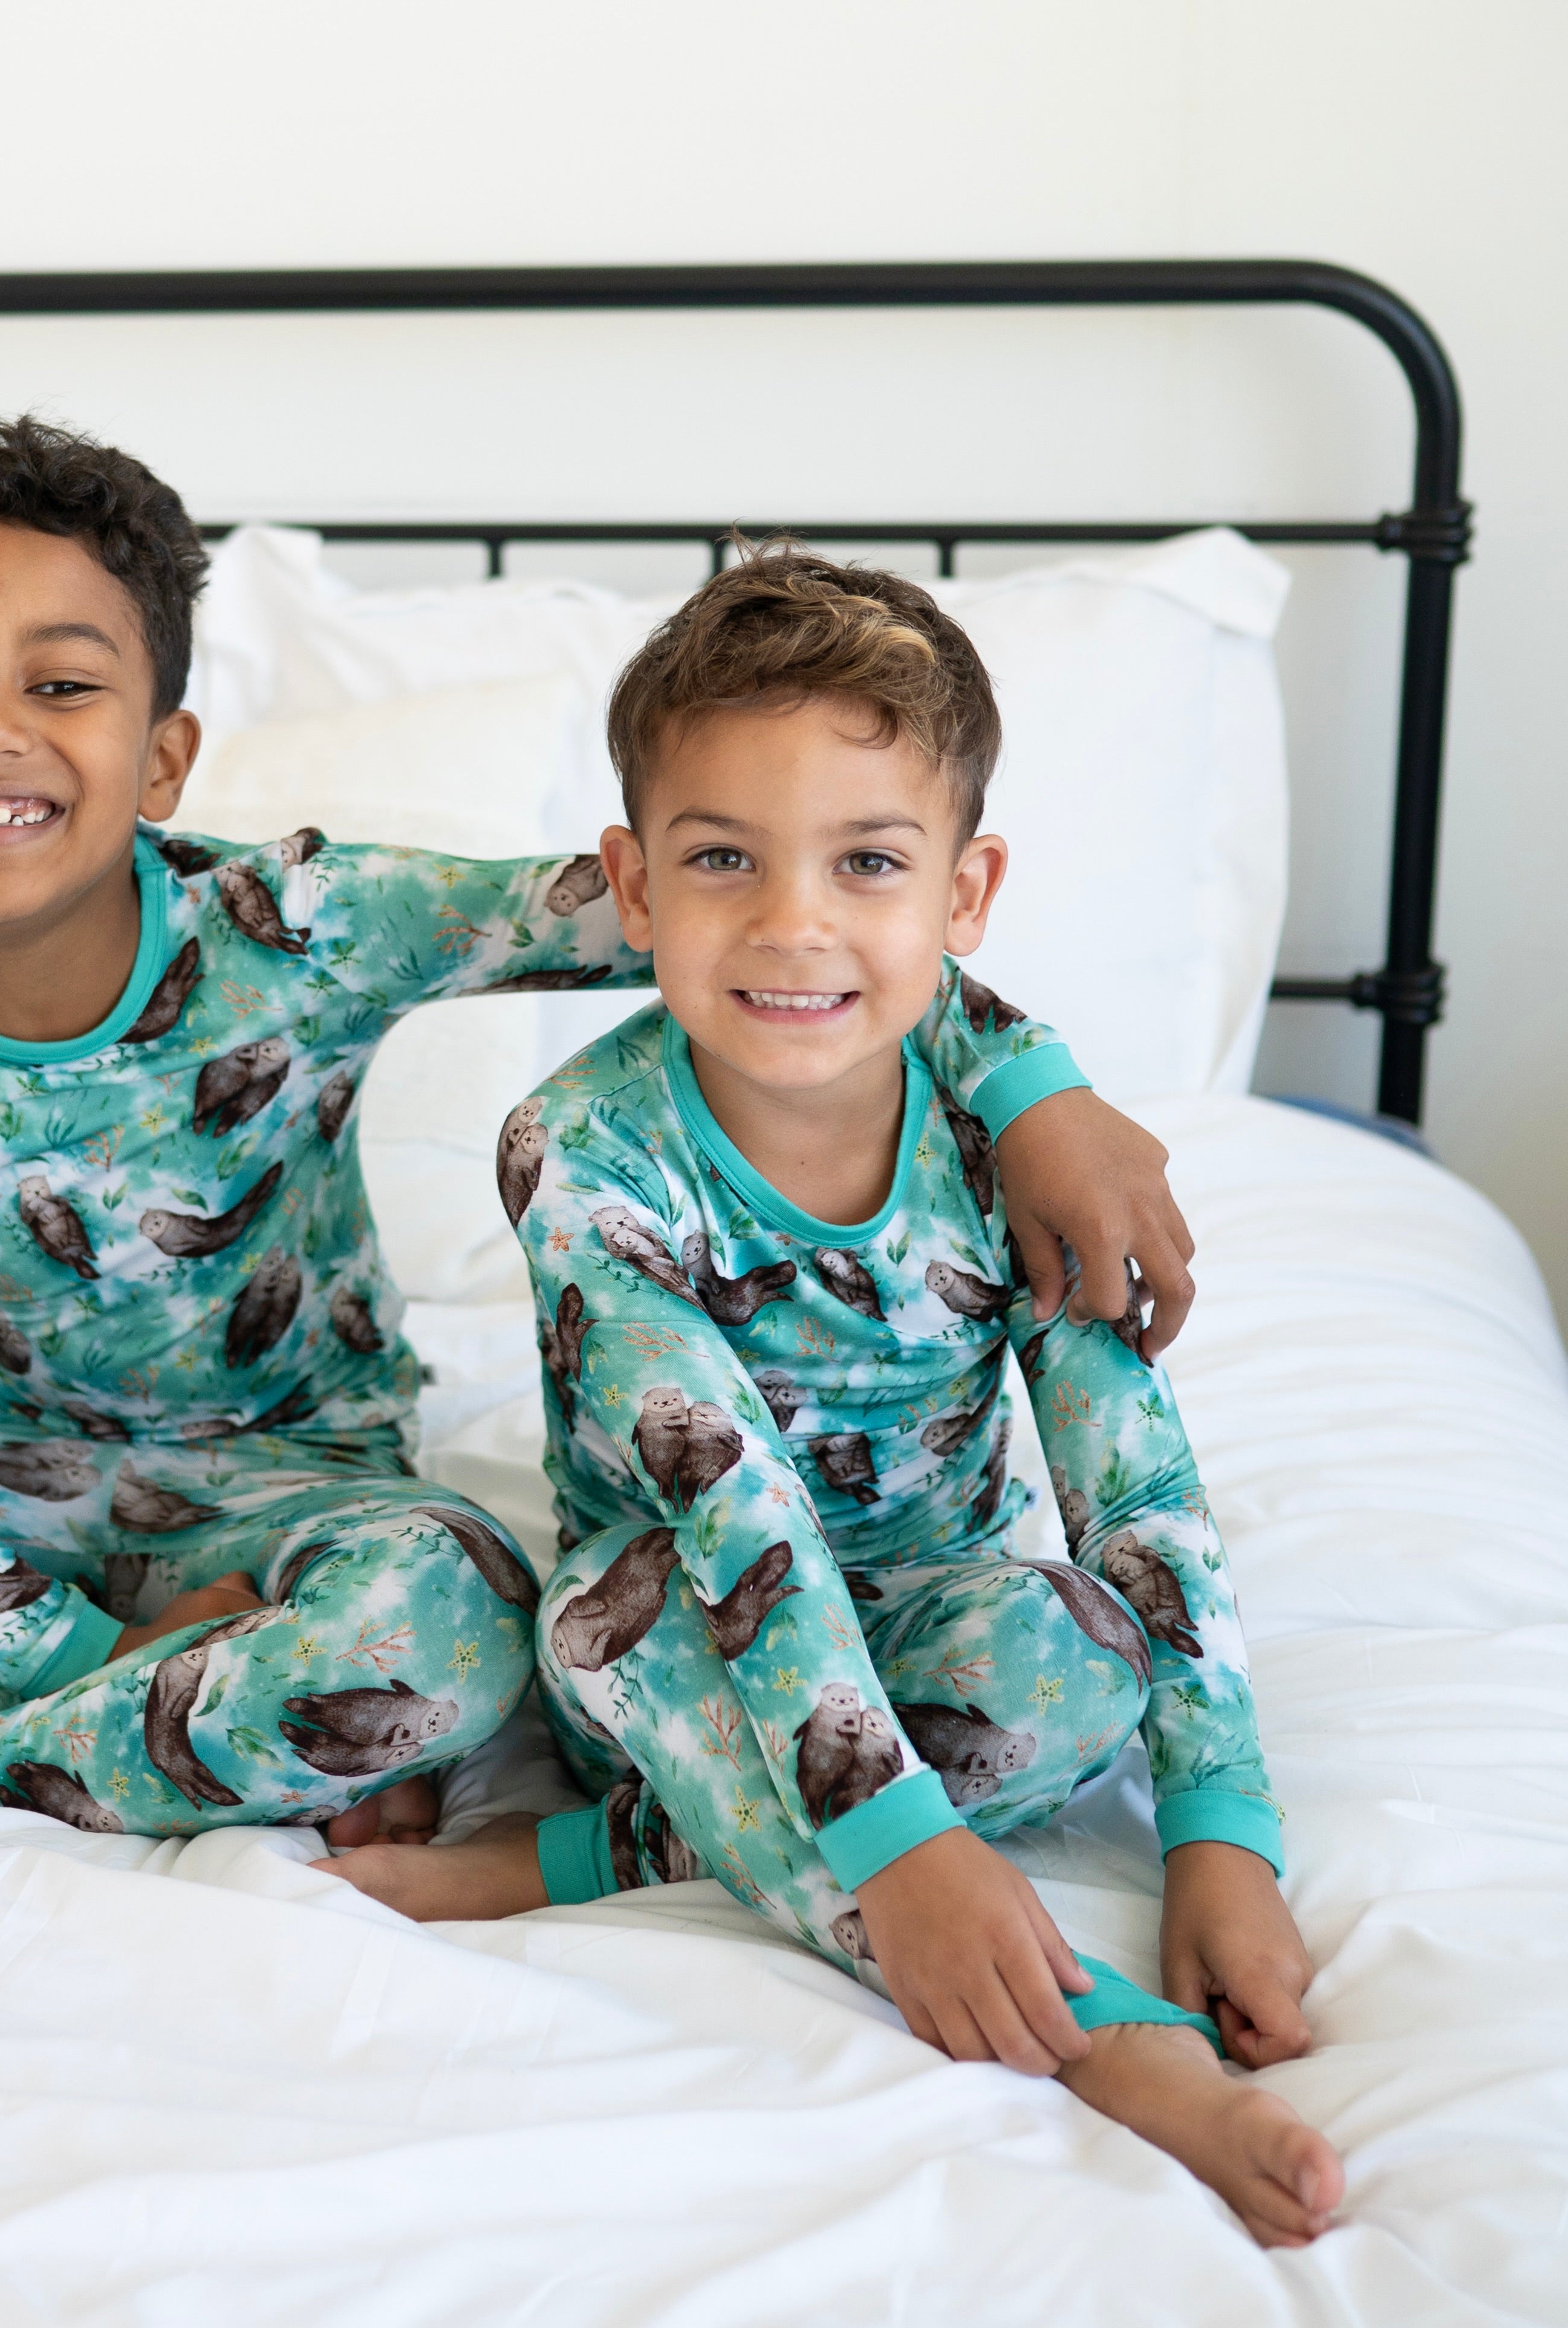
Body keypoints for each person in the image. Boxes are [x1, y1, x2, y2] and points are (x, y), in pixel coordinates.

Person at [0, 420, 1191, 1865]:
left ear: (163, 757)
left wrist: (1030, 1082)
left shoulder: (294, 925)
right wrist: (77, 1639)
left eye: (61, 683)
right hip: (21, 1485)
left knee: (450, 1619)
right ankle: (216, 1730)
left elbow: (745, 930)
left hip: (311, 1491)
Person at [322, 543, 1343, 2247]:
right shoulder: (582, 1151)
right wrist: (896, 1847)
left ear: (965, 891)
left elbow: (1130, 1473)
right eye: (722, 858)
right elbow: (732, 1504)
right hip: (685, 1615)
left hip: (933, 1603)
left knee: (1079, 1650)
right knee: (603, 1622)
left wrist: (1219, 1835)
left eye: (867, 860)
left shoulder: (1014, 1142)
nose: (793, 924)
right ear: (633, 886)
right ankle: (1106, 2042)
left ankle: (606, 1855)